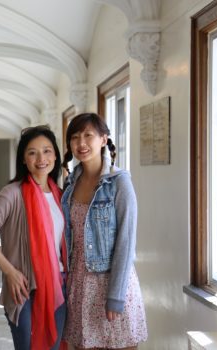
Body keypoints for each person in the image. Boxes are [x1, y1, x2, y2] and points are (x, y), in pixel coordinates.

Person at [0, 125, 67, 350]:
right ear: (23, 159)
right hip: (24, 288)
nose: (41, 158)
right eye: (32, 152)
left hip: (59, 284)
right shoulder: (13, 193)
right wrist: (10, 272)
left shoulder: (60, 195)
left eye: (47, 151)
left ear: (55, 154)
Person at [61, 113, 147, 350]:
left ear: (103, 139)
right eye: (75, 137)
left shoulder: (120, 182)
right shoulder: (70, 184)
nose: (81, 143)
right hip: (79, 285)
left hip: (112, 284)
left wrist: (116, 296)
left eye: (89, 135)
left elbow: (126, 243)